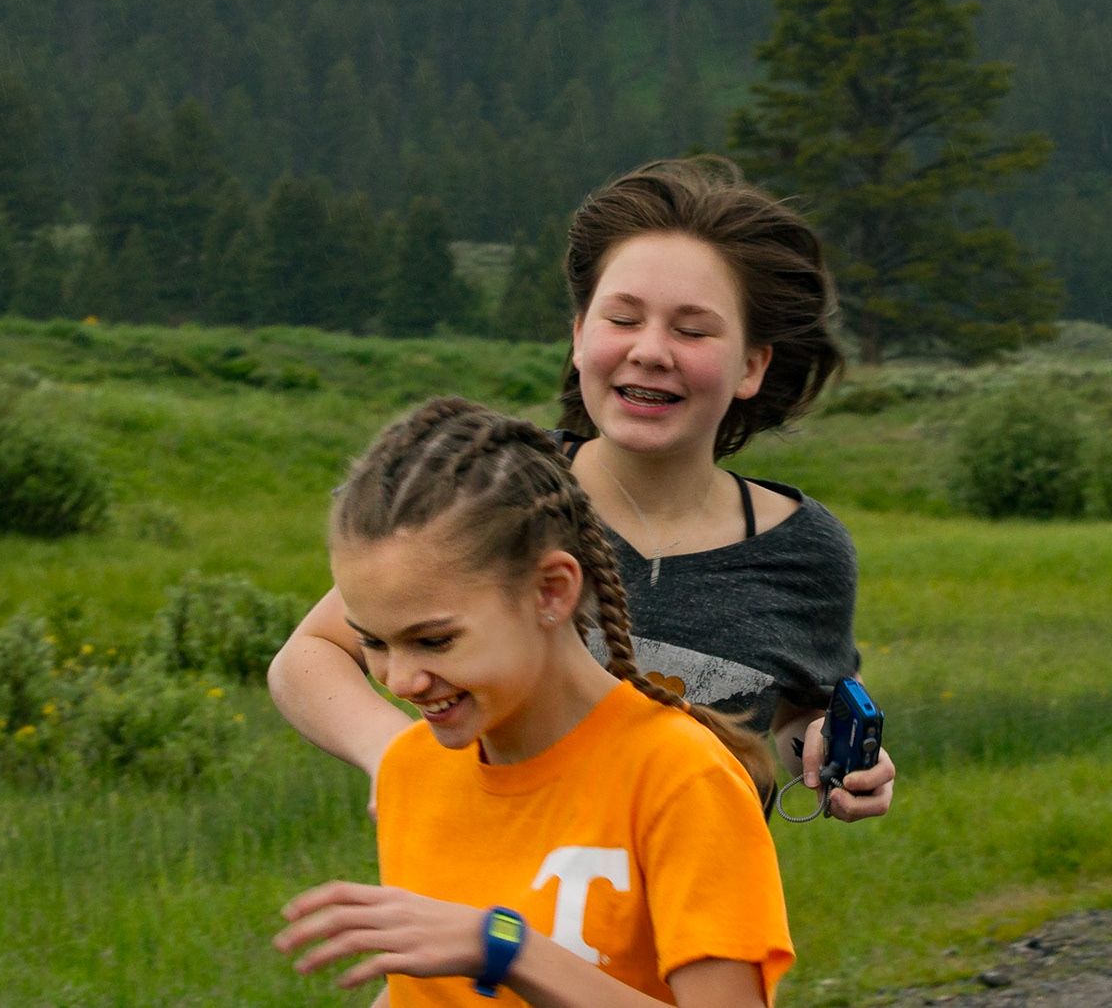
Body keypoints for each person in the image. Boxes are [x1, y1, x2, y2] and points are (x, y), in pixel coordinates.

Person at [268, 155, 895, 822]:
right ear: (577, 336)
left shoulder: (806, 551)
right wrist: (399, 758)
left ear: (751, 364)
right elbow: (311, 654)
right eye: (622, 319)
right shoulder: (491, 492)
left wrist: (832, 757)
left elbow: (791, 714)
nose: (651, 350)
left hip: (704, 919)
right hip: (482, 912)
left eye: (691, 329)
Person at [273, 398, 792, 1006]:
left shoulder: (679, 777)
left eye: (434, 640)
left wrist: (508, 950)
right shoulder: (415, 769)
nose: (400, 680)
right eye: (372, 642)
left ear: (552, 590)